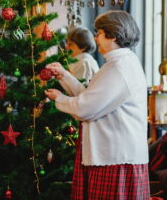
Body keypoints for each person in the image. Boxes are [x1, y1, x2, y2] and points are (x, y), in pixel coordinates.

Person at [45, 10, 149, 199]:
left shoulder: (119, 68)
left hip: (115, 157)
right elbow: (92, 98)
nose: (95, 37)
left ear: (114, 35)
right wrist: (65, 76)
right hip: (113, 155)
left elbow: (86, 108)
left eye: (99, 33)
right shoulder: (118, 64)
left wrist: (59, 98)